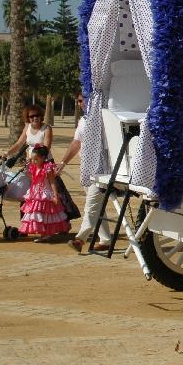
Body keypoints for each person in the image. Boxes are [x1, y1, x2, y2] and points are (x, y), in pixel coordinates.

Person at [63, 95, 111, 253]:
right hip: (86, 169)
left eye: (82, 100)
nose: (79, 103)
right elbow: (76, 142)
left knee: (91, 206)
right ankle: (105, 240)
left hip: (102, 169)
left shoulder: (103, 118)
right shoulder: (83, 120)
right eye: (78, 101)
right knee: (97, 207)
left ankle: (80, 239)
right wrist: (63, 162)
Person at [19, 144, 70, 242]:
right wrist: (26, 172)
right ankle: (43, 233)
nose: (33, 161)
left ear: (43, 158)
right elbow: (34, 179)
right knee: (38, 214)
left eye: (36, 159)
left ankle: (46, 234)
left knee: (47, 214)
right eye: (32, 159)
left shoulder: (47, 168)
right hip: (35, 193)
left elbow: (52, 182)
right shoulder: (34, 168)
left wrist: (55, 196)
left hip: (45, 194)